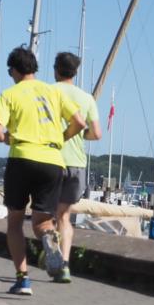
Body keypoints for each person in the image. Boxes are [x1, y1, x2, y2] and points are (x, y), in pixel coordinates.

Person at [0, 47, 85, 296]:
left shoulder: (9, 94)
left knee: (15, 222)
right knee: (43, 222)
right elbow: (80, 123)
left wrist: (8, 138)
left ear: (14, 70)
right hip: (53, 161)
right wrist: (61, 138)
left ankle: (23, 280)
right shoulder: (53, 92)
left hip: (22, 158)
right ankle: (51, 245)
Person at [51, 52, 102, 284]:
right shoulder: (87, 98)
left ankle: (51, 253)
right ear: (76, 72)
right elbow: (97, 133)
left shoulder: (50, 92)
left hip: (52, 159)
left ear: (56, 69)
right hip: (77, 164)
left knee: (46, 215)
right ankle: (65, 263)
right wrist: (80, 136)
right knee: (65, 216)